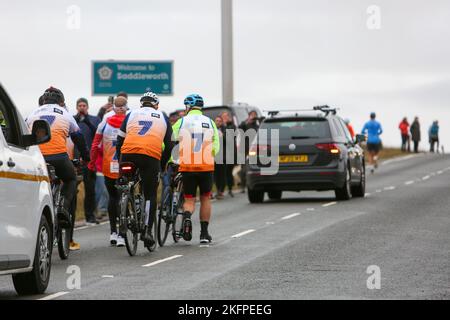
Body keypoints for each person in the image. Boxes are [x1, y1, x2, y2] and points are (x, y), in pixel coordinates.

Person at [26, 87, 90, 229]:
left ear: (43, 101)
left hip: (37, 158)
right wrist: (86, 157)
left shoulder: (32, 114)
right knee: (70, 178)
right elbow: (78, 138)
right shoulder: (65, 114)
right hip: (58, 156)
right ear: (61, 102)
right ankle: (63, 208)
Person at [116, 92, 174, 248]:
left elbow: (119, 139)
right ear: (156, 105)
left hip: (128, 153)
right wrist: (162, 165)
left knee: (123, 184)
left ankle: (124, 212)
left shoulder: (131, 114)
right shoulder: (162, 117)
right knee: (150, 194)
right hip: (150, 156)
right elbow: (169, 145)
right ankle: (147, 231)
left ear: (142, 104)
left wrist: (119, 160)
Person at [172, 94, 220, 243]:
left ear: (188, 107)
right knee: (205, 198)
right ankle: (204, 234)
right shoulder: (210, 122)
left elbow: (172, 140)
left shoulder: (181, 121)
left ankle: (186, 217)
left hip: (187, 166)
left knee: (189, 199)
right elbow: (216, 147)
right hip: (206, 166)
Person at [89, 96, 128, 247]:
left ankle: (113, 231)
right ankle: (122, 234)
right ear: (125, 107)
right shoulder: (131, 119)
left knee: (113, 198)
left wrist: (92, 163)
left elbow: (95, 144)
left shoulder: (105, 120)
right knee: (125, 196)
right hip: (126, 164)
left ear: (113, 108)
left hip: (109, 165)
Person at [74, 98, 101, 225]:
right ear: (76, 107)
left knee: (90, 190)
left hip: (89, 160)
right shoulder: (72, 120)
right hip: (75, 159)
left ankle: (90, 216)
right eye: (80, 105)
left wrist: (88, 122)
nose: (82, 107)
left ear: (88, 107)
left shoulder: (95, 119)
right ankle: (70, 216)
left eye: (84, 105)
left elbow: (99, 135)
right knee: (72, 189)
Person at [238, 111, 261, 192]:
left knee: (252, 168)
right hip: (244, 150)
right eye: (252, 115)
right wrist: (247, 120)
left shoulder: (258, 126)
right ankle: (242, 186)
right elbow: (240, 127)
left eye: (255, 115)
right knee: (244, 168)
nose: (253, 117)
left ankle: (251, 184)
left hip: (254, 150)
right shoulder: (245, 125)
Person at [221, 111, 237, 197]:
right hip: (221, 153)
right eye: (223, 117)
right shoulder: (221, 126)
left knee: (228, 171)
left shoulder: (232, 126)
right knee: (222, 172)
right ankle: (222, 190)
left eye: (226, 116)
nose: (225, 118)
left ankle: (230, 188)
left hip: (230, 153)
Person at [214, 116, 226, 199]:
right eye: (216, 121)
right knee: (216, 174)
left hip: (224, 155)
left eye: (219, 121)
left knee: (222, 174)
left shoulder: (225, 130)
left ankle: (221, 190)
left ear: (221, 122)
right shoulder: (212, 130)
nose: (218, 122)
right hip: (215, 155)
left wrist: (223, 136)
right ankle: (218, 189)